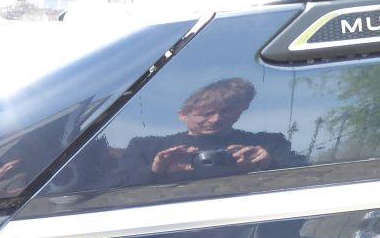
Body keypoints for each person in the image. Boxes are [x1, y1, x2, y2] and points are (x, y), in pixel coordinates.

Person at [120, 77, 298, 184]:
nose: (216, 119)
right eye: (206, 114)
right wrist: (156, 170)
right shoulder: (145, 148)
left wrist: (269, 163)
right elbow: (112, 186)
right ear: (183, 115)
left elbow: (305, 176)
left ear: (240, 110)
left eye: (226, 111)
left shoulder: (267, 144)